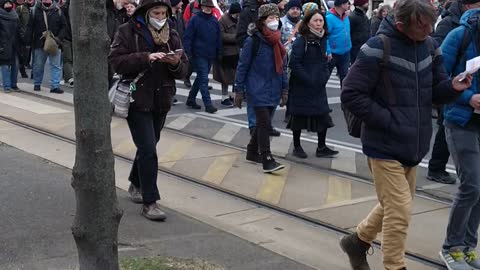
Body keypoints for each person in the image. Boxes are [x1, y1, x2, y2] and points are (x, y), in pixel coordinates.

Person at [339, 0, 472, 269]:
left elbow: (436, 90)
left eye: (429, 25)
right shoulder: (377, 47)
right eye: (422, 27)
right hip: (383, 145)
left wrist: (454, 87)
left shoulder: (430, 46)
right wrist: (389, 120)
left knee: (395, 204)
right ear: (401, 25)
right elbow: (350, 94)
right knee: (399, 210)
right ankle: (394, 265)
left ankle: (358, 241)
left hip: (413, 144)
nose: (428, 31)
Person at [109, 0, 188, 221]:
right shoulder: (127, 30)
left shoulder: (172, 34)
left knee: (149, 145)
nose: (161, 16)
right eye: (156, 12)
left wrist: (174, 63)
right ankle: (150, 202)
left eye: (164, 13)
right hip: (137, 96)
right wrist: (145, 58)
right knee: (148, 149)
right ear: (146, 12)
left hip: (161, 98)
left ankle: (136, 183)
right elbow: (115, 62)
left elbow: (183, 70)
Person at [438, 8, 480, 270]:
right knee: (472, 185)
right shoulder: (460, 35)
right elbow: (440, 78)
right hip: (461, 119)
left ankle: (468, 247)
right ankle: (451, 248)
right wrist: (468, 98)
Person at [428, 0, 480, 185]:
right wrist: (468, 97)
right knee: (471, 186)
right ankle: (436, 167)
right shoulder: (456, 31)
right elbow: (440, 74)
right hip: (459, 113)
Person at [234, 3, 288, 173]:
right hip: (256, 88)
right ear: (262, 21)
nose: (274, 21)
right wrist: (238, 89)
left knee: (262, 123)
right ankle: (266, 157)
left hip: (273, 87)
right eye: (271, 18)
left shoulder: (277, 41)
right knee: (264, 123)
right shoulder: (253, 41)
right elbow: (242, 66)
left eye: (277, 17)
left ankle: (251, 151)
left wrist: (285, 89)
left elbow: (282, 68)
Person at [288, 9, 338, 159]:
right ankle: (297, 146)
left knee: (322, 115)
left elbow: (323, 61)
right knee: (298, 117)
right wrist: (308, 79)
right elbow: (294, 63)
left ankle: (321, 147)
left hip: (318, 85)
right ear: (308, 22)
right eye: (315, 20)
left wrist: (324, 77)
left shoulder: (322, 39)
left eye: (321, 21)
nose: (318, 24)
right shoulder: (301, 41)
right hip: (302, 85)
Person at [183, 0, 222, 113]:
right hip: (198, 53)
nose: (208, 8)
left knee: (201, 77)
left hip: (210, 54)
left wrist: (219, 52)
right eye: (206, 6)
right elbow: (188, 37)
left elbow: (218, 38)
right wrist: (189, 52)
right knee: (204, 79)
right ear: (202, 7)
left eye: (210, 6)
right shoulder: (195, 19)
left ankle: (190, 99)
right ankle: (208, 104)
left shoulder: (214, 21)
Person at [25, 0, 66, 94]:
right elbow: (30, 26)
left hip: (55, 42)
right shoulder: (35, 10)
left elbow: (64, 26)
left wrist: (59, 38)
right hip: (39, 42)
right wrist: (27, 41)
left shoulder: (58, 10)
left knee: (56, 65)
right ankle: (37, 83)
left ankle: (55, 86)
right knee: (38, 65)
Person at [213, 2, 241, 107]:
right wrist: (236, 37)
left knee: (235, 76)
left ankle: (232, 96)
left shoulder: (239, 19)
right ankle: (224, 97)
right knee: (225, 77)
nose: (237, 16)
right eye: (236, 14)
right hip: (226, 52)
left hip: (236, 51)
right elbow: (221, 35)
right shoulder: (222, 20)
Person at [325, 0, 350, 85]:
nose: (349, 5)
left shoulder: (346, 16)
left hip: (345, 52)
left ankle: (345, 97)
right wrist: (328, 51)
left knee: (345, 80)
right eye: (347, 3)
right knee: (324, 77)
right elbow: (325, 36)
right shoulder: (329, 18)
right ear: (342, 5)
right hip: (333, 54)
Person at [0, 0, 20, 93]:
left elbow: (18, 30)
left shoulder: (15, 15)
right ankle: (6, 86)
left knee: (15, 65)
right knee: (5, 66)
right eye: (6, 3)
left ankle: (14, 84)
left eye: (10, 3)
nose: (8, 5)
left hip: (14, 44)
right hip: (3, 44)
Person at [348, 0, 369, 64]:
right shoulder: (352, 17)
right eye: (366, 2)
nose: (368, 4)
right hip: (356, 49)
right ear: (361, 3)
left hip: (364, 48)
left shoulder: (364, 16)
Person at [58, 0, 73, 88]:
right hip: (69, 36)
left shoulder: (64, 8)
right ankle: (70, 77)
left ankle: (68, 77)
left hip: (68, 36)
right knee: (68, 58)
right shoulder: (64, 8)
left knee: (68, 58)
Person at [16, 0, 30, 78]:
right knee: (22, 55)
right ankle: (22, 70)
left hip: (33, 36)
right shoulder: (20, 8)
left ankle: (32, 73)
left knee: (28, 55)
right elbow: (17, 21)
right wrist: (21, 33)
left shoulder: (36, 8)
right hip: (23, 36)